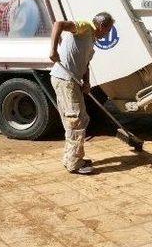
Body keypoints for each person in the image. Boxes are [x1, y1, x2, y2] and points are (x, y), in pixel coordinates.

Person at [49, 12, 115, 174]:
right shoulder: (85, 27)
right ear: (101, 26)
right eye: (108, 30)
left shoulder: (91, 39)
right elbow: (59, 24)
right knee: (77, 120)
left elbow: (85, 64)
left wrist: (87, 82)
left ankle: (70, 157)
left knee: (74, 120)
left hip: (69, 80)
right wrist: (53, 49)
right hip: (65, 79)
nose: (108, 34)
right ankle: (75, 162)